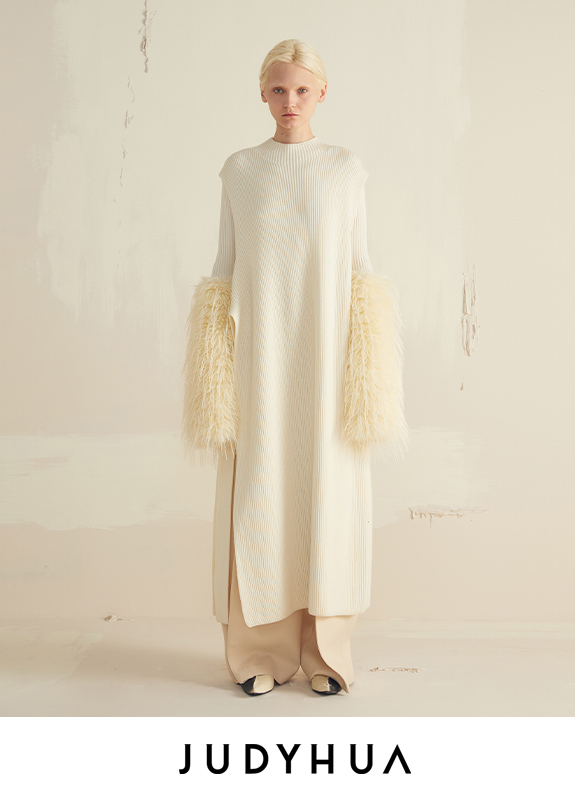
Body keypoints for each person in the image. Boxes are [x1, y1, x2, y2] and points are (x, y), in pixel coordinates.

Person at [182, 39, 407, 696]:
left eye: (302, 90)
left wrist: (365, 370)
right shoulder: (242, 170)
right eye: (279, 89)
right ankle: (260, 654)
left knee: (327, 495)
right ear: (262, 93)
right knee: (263, 494)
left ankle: (326, 654)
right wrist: (217, 375)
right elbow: (224, 267)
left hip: (329, 361)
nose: (290, 101)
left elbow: (360, 266)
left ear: (322, 94)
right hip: (259, 360)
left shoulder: (344, 169)